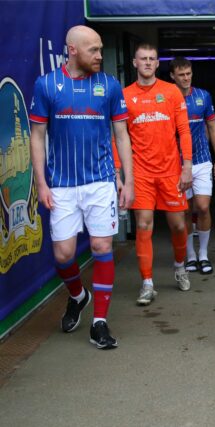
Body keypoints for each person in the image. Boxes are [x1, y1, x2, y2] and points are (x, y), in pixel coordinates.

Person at [29, 25, 134, 349]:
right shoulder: (47, 85)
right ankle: (78, 295)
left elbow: (121, 135)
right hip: (61, 185)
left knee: (102, 247)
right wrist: (41, 183)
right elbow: (37, 136)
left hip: (101, 181)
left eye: (101, 48)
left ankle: (99, 322)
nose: (100, 55)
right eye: (94, 50)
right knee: (63, 254)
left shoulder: (110, 84)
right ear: (72, 50)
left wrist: (127, 180)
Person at [123, 43, 193, 304]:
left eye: (152, 58)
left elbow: (184, 131)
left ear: (157, 63)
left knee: (178, 225)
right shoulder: (125, 95)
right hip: (141, 172)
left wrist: (187, 167)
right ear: (135, 62)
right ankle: (147, 283)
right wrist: (121, 174)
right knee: (143, 225)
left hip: (170, 171)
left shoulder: (171, 91)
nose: (148, 62)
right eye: (143, 58)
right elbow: (119, 137)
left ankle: (180, 266)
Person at [169, 57, 215, 275]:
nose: (186, 78)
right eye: (181, 74)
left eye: (188, 74)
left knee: (203, 207)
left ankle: (204, 254)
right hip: (177, 164)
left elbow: (212, 126)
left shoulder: (203, 96)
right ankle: (190, 255)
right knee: (186, 210)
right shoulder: (167, 97)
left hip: (202, 160)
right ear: (172, 76)